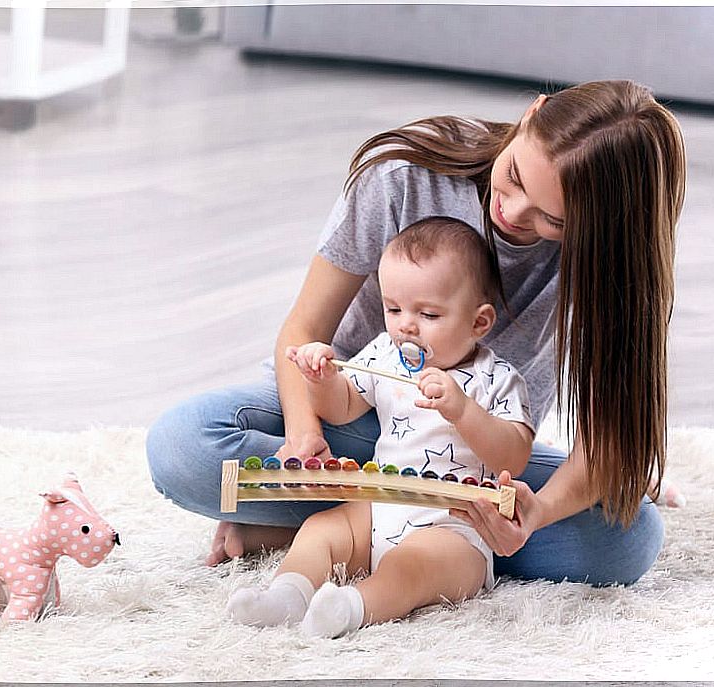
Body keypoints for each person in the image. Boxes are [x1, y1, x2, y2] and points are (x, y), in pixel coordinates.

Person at [146, 79, 686, 585]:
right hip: (352, 414)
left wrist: (536, 511)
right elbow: (304, 329)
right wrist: (303, 436)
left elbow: (610, 444)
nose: (514, 213)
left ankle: (337, 530)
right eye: (516, 177)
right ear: (531, 114)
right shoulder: (405, 178)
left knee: (628, 536)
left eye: (555, 221)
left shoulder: (611, 265)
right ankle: (389, 529)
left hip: (469, 454)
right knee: (183, 444)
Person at [227, 217, 534, 637]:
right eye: (394, 309)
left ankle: (354, 607)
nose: (406, 325)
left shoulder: (497, 378)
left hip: (454, 529)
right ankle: (287, 595)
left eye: (428, 313)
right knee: (322, 530)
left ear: (478, 323)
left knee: (409, 566)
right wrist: (323, 381)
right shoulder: (386, 354)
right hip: (379, 511)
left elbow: (514, 456)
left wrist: (463, 410)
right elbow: (344, 406)